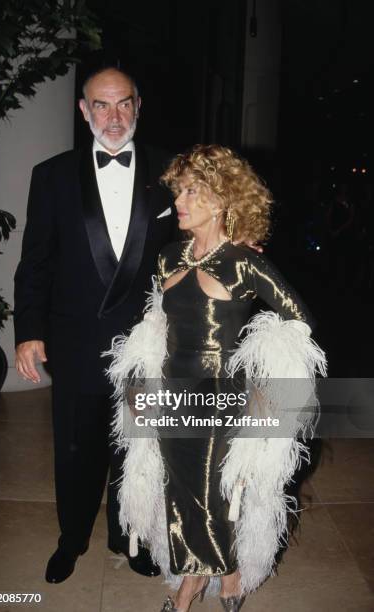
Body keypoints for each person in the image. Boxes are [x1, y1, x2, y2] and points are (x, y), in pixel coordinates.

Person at [105, 144, 326, 611]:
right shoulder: (169, 256)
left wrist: (265, 382)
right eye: (179, 190)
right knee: (178, 490)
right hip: (169, 393)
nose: (179, 201)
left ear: (222, 199)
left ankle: (190, 587)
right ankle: (223, 575)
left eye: (192, 191)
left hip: (217, 396)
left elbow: (298, 321)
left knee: (206, 492)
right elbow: (155, 327)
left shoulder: (244, 261)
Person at [13, 67, 177, 583]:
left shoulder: (171, 171)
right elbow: (34, 261)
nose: (113, 117)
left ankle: (130, 536)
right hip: (76, 338)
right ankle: (72, 538)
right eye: (101, 106)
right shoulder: (52, 175)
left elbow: (196, 242)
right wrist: (28, 331)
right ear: (83, 110)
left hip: (148, 342)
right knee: (77, 447)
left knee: (139, 446)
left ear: (138, 106)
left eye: (123, 104)